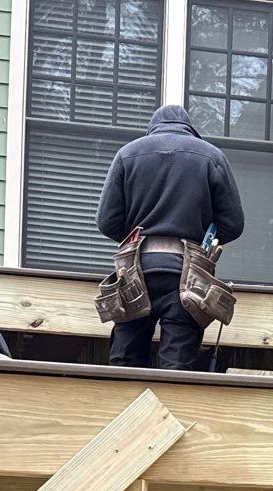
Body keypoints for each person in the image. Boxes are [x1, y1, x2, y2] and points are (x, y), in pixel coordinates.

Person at [95, 104, 245, 372]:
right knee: (176, 369)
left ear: (152, 128)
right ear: (190, 128)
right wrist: (204, 238)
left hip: (135, 271)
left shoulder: (127, 154)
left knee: (125, 365)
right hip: (188, 275)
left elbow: (106, 221)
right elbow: (233, 225)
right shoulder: (212, 157)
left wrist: (134, 239)